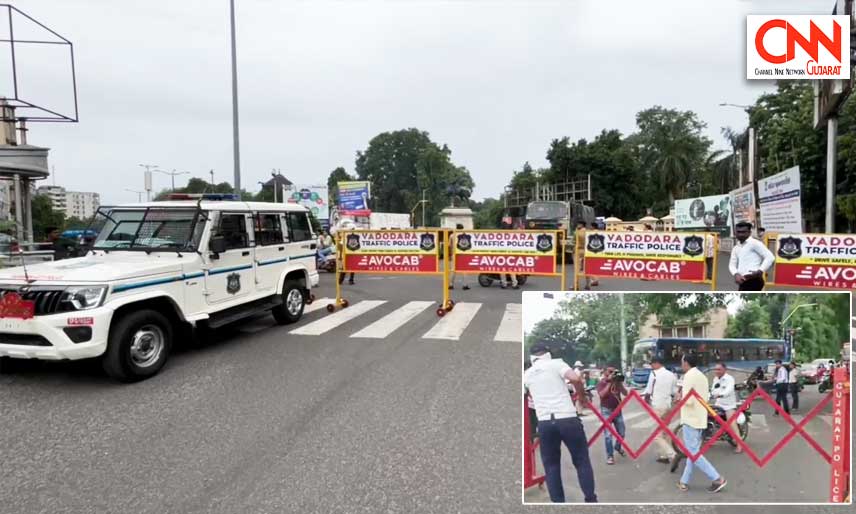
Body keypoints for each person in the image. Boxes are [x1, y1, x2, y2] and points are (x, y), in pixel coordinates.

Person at [523, 342, 597, 503]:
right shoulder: (556, 363)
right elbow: (575, 378)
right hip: (567, 418)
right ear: (547, 353)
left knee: (551, 466)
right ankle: (590, 500)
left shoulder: (527, 374)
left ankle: (558, 502)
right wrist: (582, 397)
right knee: (581, 460)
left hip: (545, 423)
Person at [675, 353, 728, 493]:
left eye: (682, 362)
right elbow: (705, 397)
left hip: (690, 419)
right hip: (700, 418)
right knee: (694, 452)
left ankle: (717, 478)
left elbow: (689, 401)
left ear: (686, 363)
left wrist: (679, 398)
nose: (681, 365)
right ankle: (684, 481)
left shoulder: (688, 377)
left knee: (693, 454)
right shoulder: (702, 376)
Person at [643, 356, 678, 463]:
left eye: (652, 364)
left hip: (658, 405)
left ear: (657, 363)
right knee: (665, 431)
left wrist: (645, 400)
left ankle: (672, 454)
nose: (651, 366)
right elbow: (674, 392)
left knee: (656, 435)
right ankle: (664, 456)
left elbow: (648, 391)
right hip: (668, 406)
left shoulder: (654, 374)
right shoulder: (672, 375)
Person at [728, 221, 774, 291]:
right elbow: (732, 265)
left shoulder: (754, 243)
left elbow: (770, 257)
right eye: (738, 232)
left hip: (754, 280)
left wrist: (760, 271)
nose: (740, 234)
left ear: (749, 232)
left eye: (743, 232)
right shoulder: (736, 248)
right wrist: (736, 274)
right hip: (742, 280)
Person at [596, 366, 628, 465]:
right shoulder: (602, 383)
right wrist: (610, 383)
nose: (612, 373)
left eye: (614, 372)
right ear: (605, 372)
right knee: (608, 435)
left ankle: (617, 447)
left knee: (621, 432)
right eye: (610, 371)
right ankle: (610, 456)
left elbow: (626, 393)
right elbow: (602, 395)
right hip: (606, 410)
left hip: (617, 410)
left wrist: (619, 384)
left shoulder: (617, 383)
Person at [710, 362, 742, 454]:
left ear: (724, 370)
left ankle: (740, 445)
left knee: (732, 424)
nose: (717, 371)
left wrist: (721, 394)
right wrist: (711, 394)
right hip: (718, 403)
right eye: (715, 369)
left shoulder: (730, 379)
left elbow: (728, 390)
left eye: (719, 369)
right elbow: (713, 389)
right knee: (708, 418)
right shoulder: (716, 378)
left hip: (729, 405)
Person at [448, 224, 470, 290]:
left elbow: (449, 246)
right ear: (462, 229)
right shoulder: (465, 236)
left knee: (453, 270)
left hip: (454, 254)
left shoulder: (452, 235)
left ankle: (451, 285)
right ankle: (465, 285)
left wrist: (449, 255)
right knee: (464, 270)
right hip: (462, 254)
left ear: (456, 228)